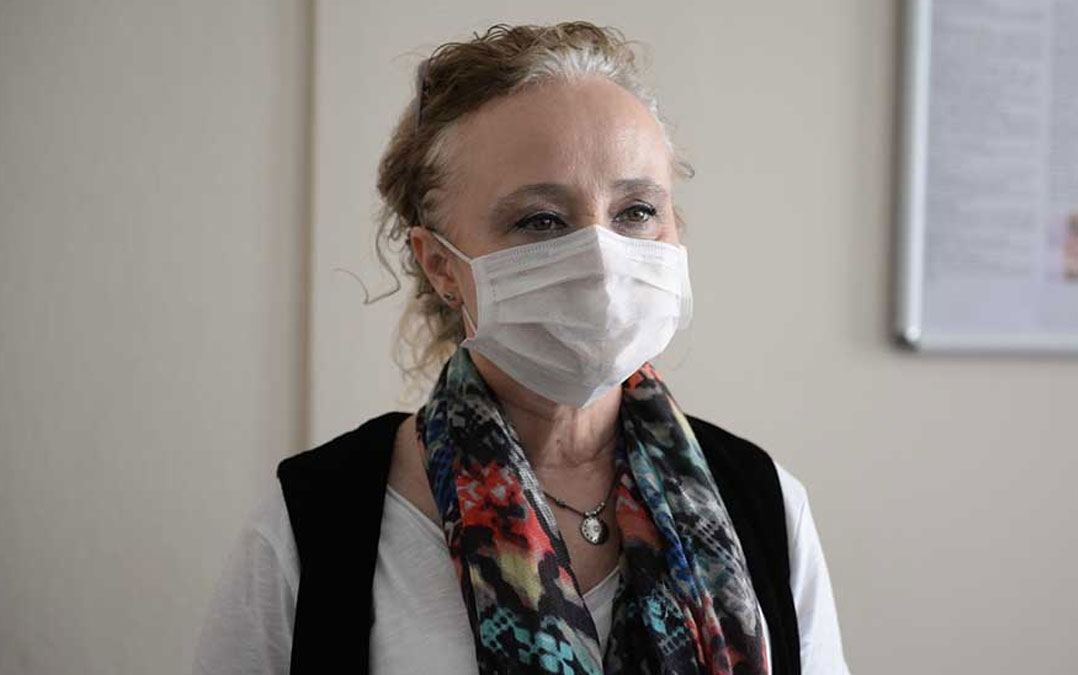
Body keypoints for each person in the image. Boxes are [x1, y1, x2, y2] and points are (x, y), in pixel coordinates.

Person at [193, 21, 850, 675]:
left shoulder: (763, 502)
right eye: (541, 220)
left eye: (636, 211)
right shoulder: (316, 526)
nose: (601, 259)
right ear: (441, 265)